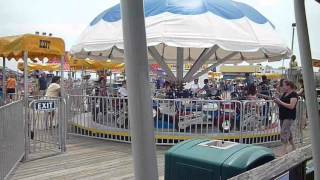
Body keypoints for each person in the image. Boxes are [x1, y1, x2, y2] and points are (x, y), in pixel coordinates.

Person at [274, 80, 298, 154]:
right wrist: (277, 102)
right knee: (287, 131)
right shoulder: (284, 94)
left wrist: (280, 102)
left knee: (284, 131)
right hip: (283, 115)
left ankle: (284, 150)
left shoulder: (294, 94)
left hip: (289, 116)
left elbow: (291, 106)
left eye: (284, 85)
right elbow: (281, 105)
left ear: (289, 86)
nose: (283, 87)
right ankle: (294, 147)